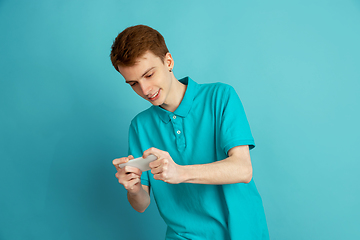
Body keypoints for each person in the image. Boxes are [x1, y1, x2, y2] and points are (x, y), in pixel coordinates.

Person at [111, 25, 269, 240]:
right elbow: (141, 205)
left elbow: (243, 169)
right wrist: (134, 188)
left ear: (168, 61)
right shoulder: (140, 126)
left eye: (149, 75)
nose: (145, 90)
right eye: (133, 83)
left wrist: (180, 173)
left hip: (243, 231)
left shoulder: (220, 96)